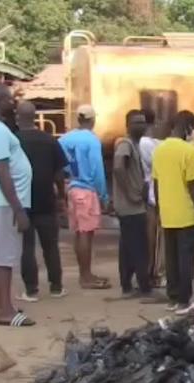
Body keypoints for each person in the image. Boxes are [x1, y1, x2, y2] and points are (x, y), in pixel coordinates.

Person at [152, 110, 194, 314]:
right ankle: (185, 302)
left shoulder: (160, 150)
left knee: (172, 259)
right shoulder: (188, 150)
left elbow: (156, 184)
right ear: (187, 126)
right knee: (186, 260)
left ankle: (173, 299)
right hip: (186, 214)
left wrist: (159, 210)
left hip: (167, 214)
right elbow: (193, 185)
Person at [15, 101, 67, 302]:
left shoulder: (14, 141)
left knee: (26, 247)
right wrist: (61, 196)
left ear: (18, 118)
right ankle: (56, 287)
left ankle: (31, 290)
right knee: (51, 246)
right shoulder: (49, 140)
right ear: (36, 117)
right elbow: (59, 173)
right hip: (47, 201)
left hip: (22, 202)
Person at [0, 84, 35, 326]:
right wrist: (18, 209)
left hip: (2, 203)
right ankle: (6, 311)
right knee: (4, 258)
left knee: (0, 256)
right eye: (10, 99)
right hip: (5, 204)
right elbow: (1, 169)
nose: (13, 103)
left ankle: (0, 305)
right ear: (0, 101)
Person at [59, 104, 110, 289]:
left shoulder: (65, 139)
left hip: (71, 187)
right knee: (86, 234)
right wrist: (104, 195)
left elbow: (60, 164)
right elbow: (98, 170)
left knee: (79, 233)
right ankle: (86, 277)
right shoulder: (92, 140)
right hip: (86, 190)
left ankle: (85, 273)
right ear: (92, 120)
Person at [113, 110, 154, 298]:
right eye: (137, 122)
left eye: (143, 122)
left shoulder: (135, 145)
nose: (141, 125)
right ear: (128, 125)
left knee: (128, 247)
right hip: (130, 207)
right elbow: (118, 167)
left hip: (132, 205)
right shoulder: (126, 144)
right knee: (138, 247)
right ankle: (143, 287)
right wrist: (130, 192)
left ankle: (128, 285)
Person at [138, 108, 164, 288]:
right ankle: (154, 273)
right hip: (153, 193)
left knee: (151, 236)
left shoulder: (144, 143)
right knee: (154, 238)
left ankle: (151, 272)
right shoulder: (149, 143)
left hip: (150, 191)